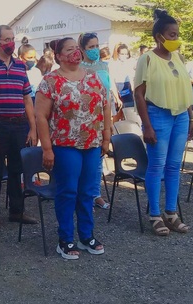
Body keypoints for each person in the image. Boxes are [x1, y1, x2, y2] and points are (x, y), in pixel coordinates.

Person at [35, 37, 111, 259]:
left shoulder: (94, 78)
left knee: (88, 192)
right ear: (58, 56)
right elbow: (40, 116)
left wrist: (106, 136)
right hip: (65, 145)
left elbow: (105, 107)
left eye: (77, 49)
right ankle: (65, 239)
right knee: (68, 192)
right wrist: (47, 149)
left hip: (92, 144)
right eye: (69, 50)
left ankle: (86, 236)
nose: (76, 53)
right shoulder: (50, 82)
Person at [134, 9, 193, 236]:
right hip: (157, 115)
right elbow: (139, 94)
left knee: (173, 166)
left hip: (180, 116)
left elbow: (184, 89)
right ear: (159, 36)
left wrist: (190, 118)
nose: (175, 38)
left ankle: (171, 213)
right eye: (171, 34)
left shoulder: (178, 58)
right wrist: (147, 125)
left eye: (177, 34)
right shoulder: (147, 59)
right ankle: (155, 215)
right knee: (156, 165)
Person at [0, 25, 38, 233]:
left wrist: (32, 127)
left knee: (17, 169)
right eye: (6, 39)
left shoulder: (21, 66)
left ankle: (16, 211)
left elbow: (27, 98)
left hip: (19, 124)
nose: (11, 42)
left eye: (13, 38)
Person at [78, 32, 122, 210]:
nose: (95, 50)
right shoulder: (78, 68)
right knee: (83, 160)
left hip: (103, 116)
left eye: (96, 46)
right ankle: (81, 194)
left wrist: (114, 102)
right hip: (85, 118)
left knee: (98, 159)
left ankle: (95, 194)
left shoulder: (104, 65)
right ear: (82, 49)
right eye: (90, 47)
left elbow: (108, 87)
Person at [110, 43, 136, 115]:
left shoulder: (130, 62)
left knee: (130, 112)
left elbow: (132, 78)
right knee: (118, 113)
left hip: (128, 88)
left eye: (126, 54)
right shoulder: (113, 63)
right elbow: (112, 81)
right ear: (118, 53)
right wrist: (117, 97)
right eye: (122, 54)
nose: (124, 56)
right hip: (118, 88)